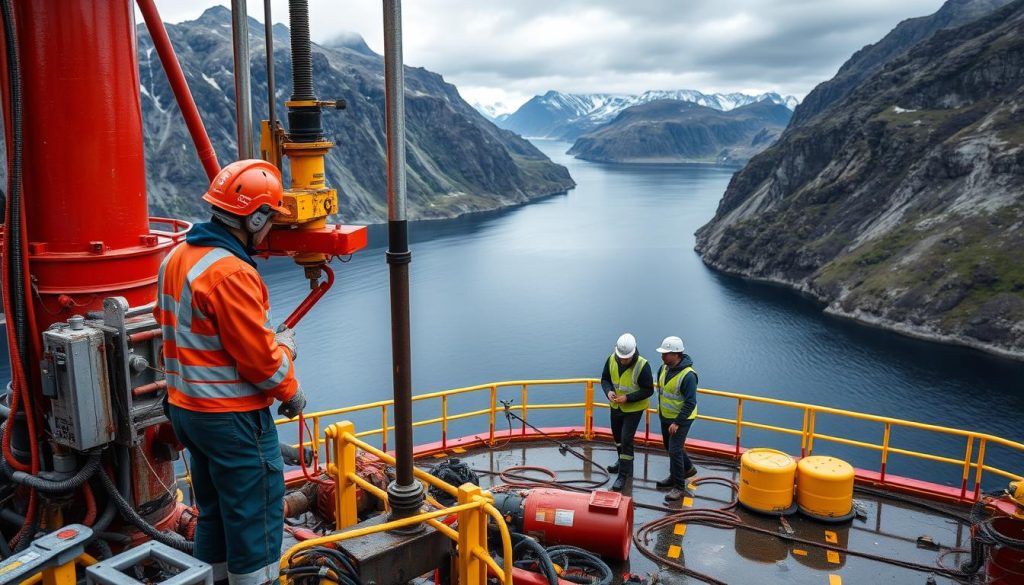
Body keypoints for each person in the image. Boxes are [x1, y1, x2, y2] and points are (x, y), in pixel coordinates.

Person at [155, 159, 306, 585]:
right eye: (269, 218)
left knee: (215, 513)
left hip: (187, 412)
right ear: (254, 216)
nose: (270, 229)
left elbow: (180, 329)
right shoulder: (232, 273)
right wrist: (289, 373)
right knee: (255, 516)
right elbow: (261, 363)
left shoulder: (177, 257)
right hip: (231, 419)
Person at [600, 333, 654, 492]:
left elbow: (648, 390)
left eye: (626, 358)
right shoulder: (611, 359)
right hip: (616, 406)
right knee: (617, 438)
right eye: (621, 357)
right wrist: (609, 391)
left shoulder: (642, 365)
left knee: (626, 439)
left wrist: (628, 398)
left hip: (633, 409)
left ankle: (624, 475)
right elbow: (605, 379)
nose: (623, 360)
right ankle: (622, 462)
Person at [655, 335, 699, 502]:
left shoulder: (688, 376)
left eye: (666, 353)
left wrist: (677, 423)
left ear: (676, 354)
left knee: (674, 450)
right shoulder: (663, 369)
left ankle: (679, 487)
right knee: (670, 447)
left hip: (681, 419)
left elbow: (690, 403)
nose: (662, 356)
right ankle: (682, 472)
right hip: (666, 416)